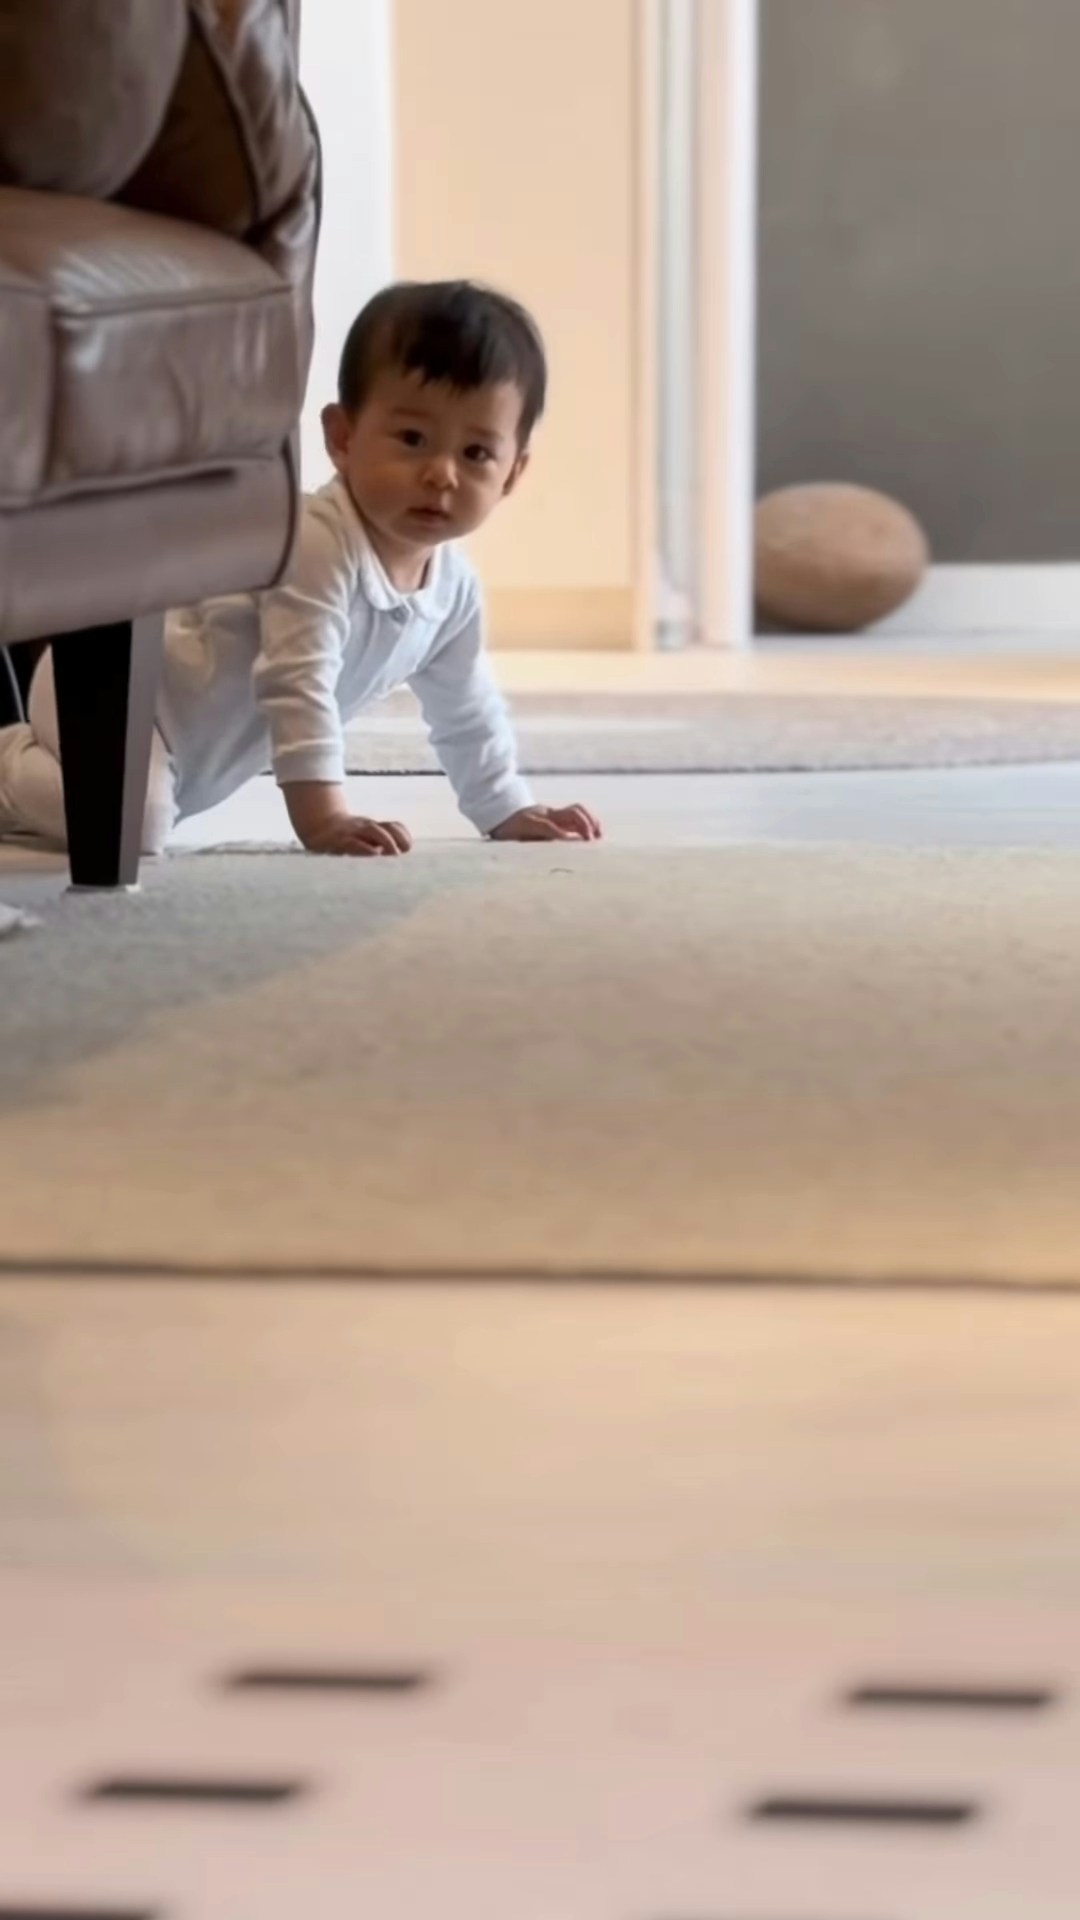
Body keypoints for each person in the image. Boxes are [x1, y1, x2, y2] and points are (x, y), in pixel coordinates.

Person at [0, 280, 602, 857]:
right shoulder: (317, 544)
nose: (441, 474)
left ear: (512, 473)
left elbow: (466, 709)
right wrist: (324, 817)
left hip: (183, 750)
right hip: (117, 686)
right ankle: (6, 761)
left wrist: (506, 807)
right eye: (413, 438)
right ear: (343, 438)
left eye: (475, 452)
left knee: (148, 813)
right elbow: (299, 682)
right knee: (137, 824)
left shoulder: (454, 592)